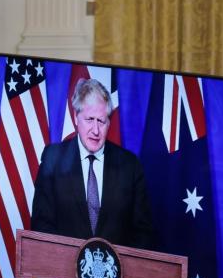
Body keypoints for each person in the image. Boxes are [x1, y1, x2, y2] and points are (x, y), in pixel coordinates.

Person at [31, 78, 155, 249]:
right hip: (63, 270)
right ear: (76, 117)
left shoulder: (130, 166)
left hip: (118, 273)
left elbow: (143, 234)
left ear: (109, 122)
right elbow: (41, 226)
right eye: (89, 119)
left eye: (101, 121)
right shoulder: (53, 159)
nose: (96, 131)